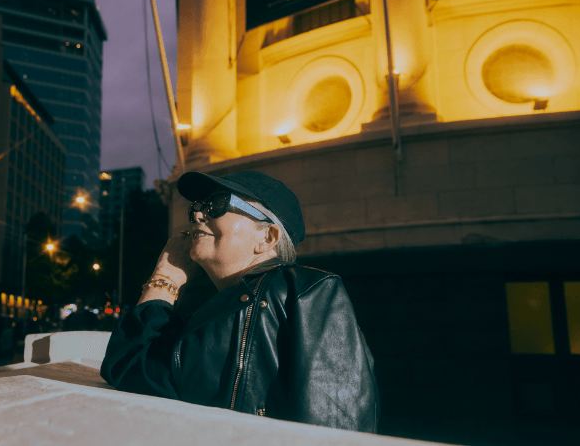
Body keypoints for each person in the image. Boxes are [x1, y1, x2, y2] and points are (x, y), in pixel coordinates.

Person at [101, 171, 379, 433]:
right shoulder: (225, 307)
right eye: (197, 207)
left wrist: (165, 277)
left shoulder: (308, 292)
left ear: (267, 237)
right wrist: (167, 277)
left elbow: (340, 422)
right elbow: (133, 368)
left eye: (217, 204)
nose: (197, 214)